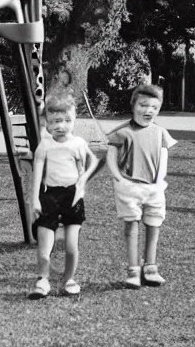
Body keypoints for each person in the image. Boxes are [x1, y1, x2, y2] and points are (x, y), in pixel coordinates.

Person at [28, 93, 99, 299]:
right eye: (56, 121)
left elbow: (93, 160)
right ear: (48, 123)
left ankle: (69, 279)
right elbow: (37, 172)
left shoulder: (77, 143)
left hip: (72, 197)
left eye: (67, 121)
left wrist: (84, 178)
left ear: (74, 120)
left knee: (70, 247)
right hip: (49, 197)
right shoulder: (45, 145)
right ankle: (43, 280)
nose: (62, 126)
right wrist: (34, 199)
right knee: (44, 247)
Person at [106, 83, 176, 289]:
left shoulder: (161, 132)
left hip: (154, 189)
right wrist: (120, 180)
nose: (148, 111)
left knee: (154, 225)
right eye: (143, 105)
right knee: (131, 226)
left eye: (154, 107)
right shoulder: (121, 132)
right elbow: (111, 158)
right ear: (133, 105)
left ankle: (151, 267)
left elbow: (164, 158)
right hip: (129, 188)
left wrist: (160, 181)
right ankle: (133, 270)